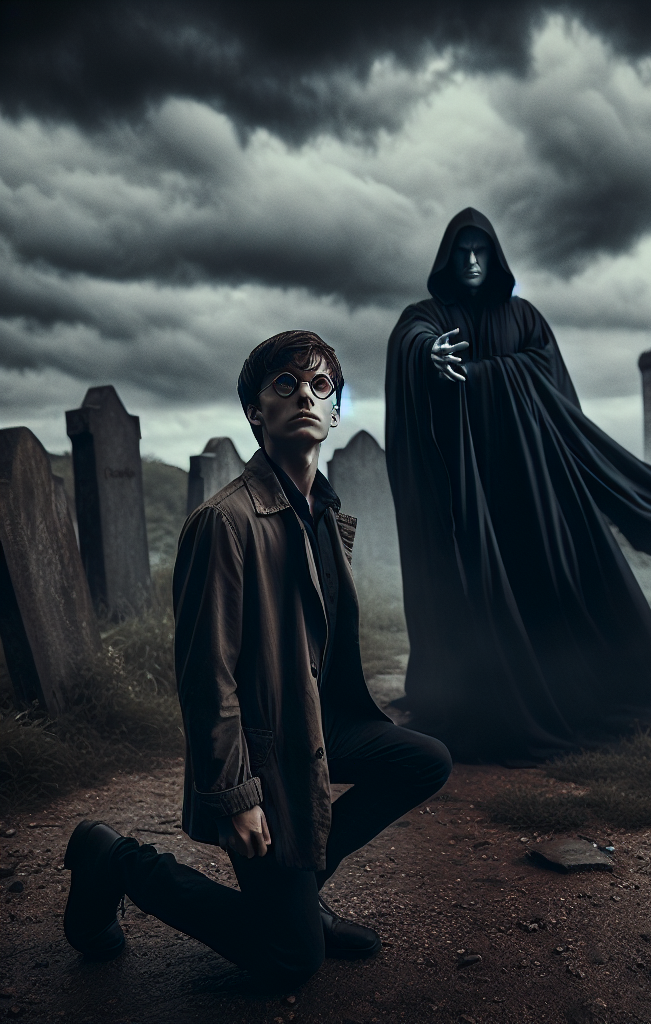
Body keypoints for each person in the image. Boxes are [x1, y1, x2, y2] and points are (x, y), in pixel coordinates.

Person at [62, 330, 452, 989]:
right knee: (291, 960)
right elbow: (204, 676)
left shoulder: (323, 514)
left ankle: (295, 892)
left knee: (424, 762)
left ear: (333, 414)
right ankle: (116, 859)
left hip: (319, 731)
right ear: (255, 412)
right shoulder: (226, 522)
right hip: (265, 751)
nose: (305, 393)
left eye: (320, 386)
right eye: (285, 384)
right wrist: (237, 795)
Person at [386, 208, 651, 764]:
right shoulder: (429, 316)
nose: (470, 261)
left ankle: (564, 686)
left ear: (495, 257)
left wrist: (489, 377)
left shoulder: (526, 319)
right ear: (446, 258)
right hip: (467, 497)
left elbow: (555, 396)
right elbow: (411, 338)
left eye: (480, 251)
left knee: (544, 588)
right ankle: (477, 696)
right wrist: (426, 353)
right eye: (461, 251)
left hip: (530, 492)